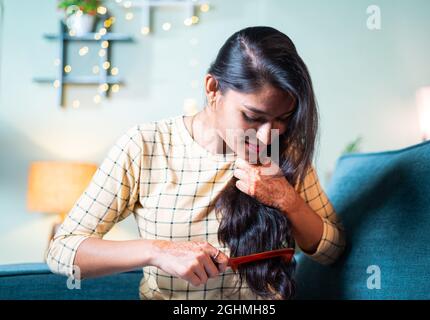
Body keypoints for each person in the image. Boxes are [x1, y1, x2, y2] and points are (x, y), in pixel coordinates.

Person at [46, 26, 345, 300]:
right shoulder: (146, 145)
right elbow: (62, 251)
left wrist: (287, 200)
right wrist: (157, 251)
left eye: (282, 119)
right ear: (213, 89)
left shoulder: (285, 150)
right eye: (253, 118)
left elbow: (333, 250)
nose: (268, 137)